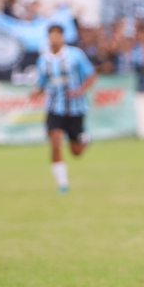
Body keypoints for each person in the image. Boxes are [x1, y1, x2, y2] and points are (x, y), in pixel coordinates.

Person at [32, 24, 96, 193]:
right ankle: (62, 184)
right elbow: (42, 83)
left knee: (76, 152)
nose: (54, 38)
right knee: (55, 141)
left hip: (75, 108)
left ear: (62, 37)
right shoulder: (43, 60)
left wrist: (79, 91)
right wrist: (36, 92)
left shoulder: (75, 55)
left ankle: (84, 140)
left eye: (57, 35)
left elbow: (91, 74)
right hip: (54, 108)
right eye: (51, 35)